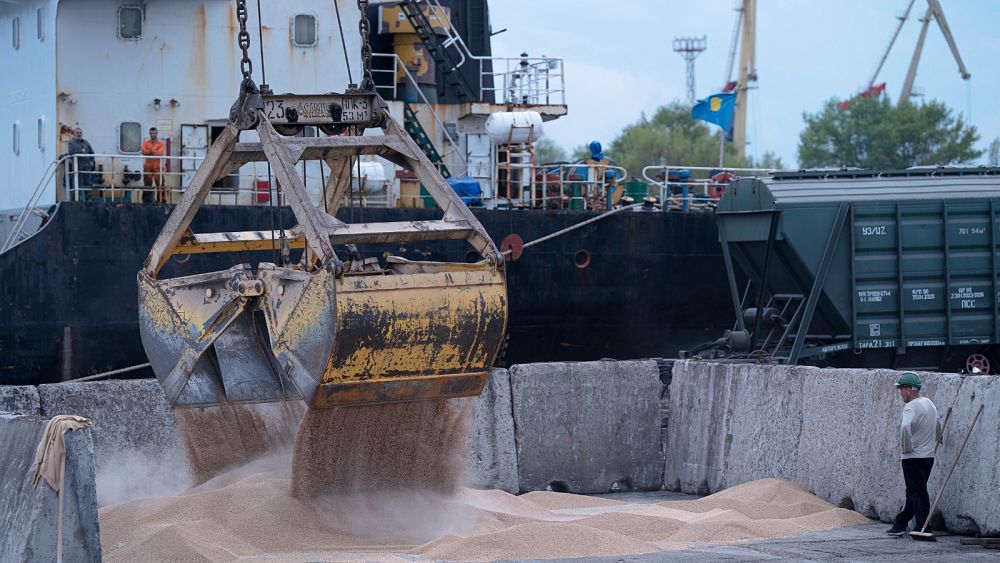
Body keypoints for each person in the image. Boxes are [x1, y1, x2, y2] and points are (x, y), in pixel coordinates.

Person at [886, 372, 941, 536]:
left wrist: (905, 447)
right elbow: (938, 422)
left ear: (909, 389)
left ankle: (923, 527)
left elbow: (904, 427)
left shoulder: (910, 407)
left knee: (918, 492)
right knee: (913, 491)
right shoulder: (929, 402)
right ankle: (900, 523)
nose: (900, 393)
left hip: (913, 457)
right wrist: (938, 438)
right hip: (928, 457)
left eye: (901, 389)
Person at [141, 127, 167, 203]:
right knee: (147, 184)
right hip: (148, 167)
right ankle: (146, 200)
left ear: (157, 133)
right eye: (152, 133)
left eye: (155, 133)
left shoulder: (161, 143)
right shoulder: (146, 142)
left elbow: (160, 153)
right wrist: (151, 151)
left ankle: (161, 200)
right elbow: (143, 151)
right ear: (150, 134)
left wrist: (149, 152)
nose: (153, 134)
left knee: (160, 184)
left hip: (157, 167)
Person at [66, 127, 95, 192]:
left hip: (87, 167)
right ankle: (78, 199)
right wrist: (80, 151)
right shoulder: (71, 143)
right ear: (74, 134)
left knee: (88, 184)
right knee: (78, 184)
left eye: (80, 133)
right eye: (77, 133)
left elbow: (92, 152)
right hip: (78, 168)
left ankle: (88, 199)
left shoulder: (86, 142)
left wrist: (92, 161)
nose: (79, 134)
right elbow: (71, 153)